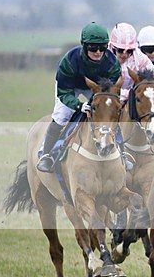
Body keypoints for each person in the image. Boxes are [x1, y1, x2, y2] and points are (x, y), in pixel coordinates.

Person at [36, 22, 122, 173]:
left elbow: (111, 93)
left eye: (102, 47)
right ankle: (47, 154)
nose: (98, 52)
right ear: (84, 46)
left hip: (97, 88)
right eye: (93, 48)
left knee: (109, 114)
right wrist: (79, 106)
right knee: (62, 115)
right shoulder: (69, 61)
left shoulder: (112, 63)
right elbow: (64, 92)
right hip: (71, 87)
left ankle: (123, 152)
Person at [108, 22, 154, 102]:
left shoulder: (140, 58)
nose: (125, 54)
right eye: (120, 50)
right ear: (113, 47)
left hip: (131, 99)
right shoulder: (103, 55)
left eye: (129, 51)